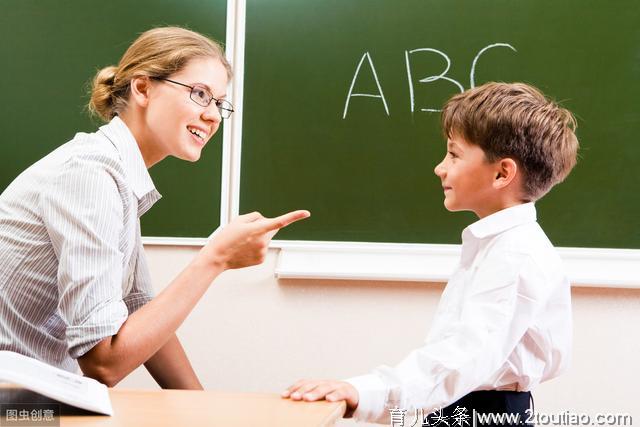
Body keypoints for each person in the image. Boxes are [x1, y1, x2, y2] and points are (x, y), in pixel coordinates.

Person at [0, 26, 309, 389]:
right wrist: (215, 258)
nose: (213, 116)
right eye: (199, 94)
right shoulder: (90, 175)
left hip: (32, 396)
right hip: (15, 405)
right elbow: (104, 362)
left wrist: (203, 409)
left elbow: (138, 308)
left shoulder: (117, 175)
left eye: (219, 103)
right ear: (143, 88)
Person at [283, 82, 578, 425]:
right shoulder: (498, 244)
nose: (441, 167)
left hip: (484, 412)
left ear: (502, 173)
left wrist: (364, 392)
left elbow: (463, 358)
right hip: (469, 407)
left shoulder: (515, 256)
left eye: (454, 154)